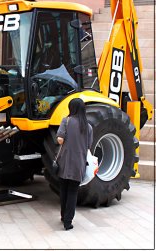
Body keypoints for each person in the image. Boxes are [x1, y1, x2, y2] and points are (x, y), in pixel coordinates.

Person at [56, 98, 93, 230]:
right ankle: (68, 221)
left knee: (64, 191)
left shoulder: (66, 121)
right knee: (73, 192)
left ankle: (63, 216)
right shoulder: (88, 127)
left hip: (64, 162)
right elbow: (88, 146)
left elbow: (60, 140)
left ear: (71, 108)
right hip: (79, 164)